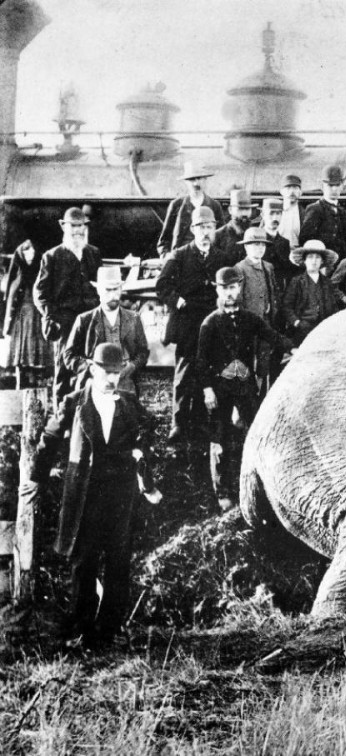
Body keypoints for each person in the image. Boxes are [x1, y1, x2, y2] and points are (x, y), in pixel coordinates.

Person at [30, 343, 153, 648]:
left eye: (117, 372)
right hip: (85, 494)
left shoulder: (129, 404)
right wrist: (37, 477)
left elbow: (148, 430)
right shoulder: (74, 402)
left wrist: (140, 455)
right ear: (92, 369)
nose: (112, 378)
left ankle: (109, 629)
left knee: (118, 561)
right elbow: (50, 437)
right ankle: (82, 628)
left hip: (120, 495)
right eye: (106, 372)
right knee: (83, 562)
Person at [197, 267, 295, 510]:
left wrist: (295, 349)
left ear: (239, 288)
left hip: (245, 387)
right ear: (218, 291)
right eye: (224, 289)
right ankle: (223, 492)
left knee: (256, 432)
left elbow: (272, 336)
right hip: (220, 388)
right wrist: (207, 389)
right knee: (219, 439)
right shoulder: (210, 323)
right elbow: (201, 361)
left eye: (233, 287)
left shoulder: (250, 319)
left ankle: (262, 488)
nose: (229, 293)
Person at [155, 206, 235, 446]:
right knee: (184, 375)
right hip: (187, 323)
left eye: (210, 227)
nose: (205, 232)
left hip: (211, 322)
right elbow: (162, 286)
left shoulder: (221, 258)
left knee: (209, 370)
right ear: (192, 229)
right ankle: (178, 424)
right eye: (201, 227)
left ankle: (201, 424)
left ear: (214, 229)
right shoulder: (179, 255)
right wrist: (178, 302)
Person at [33, 207, 102, 404]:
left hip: (90, 321)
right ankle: (62, 417)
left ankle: (85, 414)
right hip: (65, 322)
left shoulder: (93, 253)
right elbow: (40, 294)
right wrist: (51, 317)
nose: (78, 230)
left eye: (81, 226)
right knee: (64, 369)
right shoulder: (52, 256)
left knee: (91, 367)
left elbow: (101, 285)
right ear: (64, 227)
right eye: (73, 226)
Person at [63, 266, 148, 397]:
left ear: (121, 289)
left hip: (125, 383)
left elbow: (143, 352)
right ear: (98, 290)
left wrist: (132, 366)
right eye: (108, 290)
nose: (113, 295)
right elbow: (69, 355)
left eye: (116, 289)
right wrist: (90, 367)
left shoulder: (134, 318)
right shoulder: (85, 320)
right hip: (94, 382)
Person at [234, 227, 281, 396]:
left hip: (265, 324)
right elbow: (237, 300)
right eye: (255, 245)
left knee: (264, 364)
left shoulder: (269, 267)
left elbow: (274, 293)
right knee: (246, 365)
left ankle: (261, 399)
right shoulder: (240, 268)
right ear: (246, 247)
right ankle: (244, 403)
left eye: (262, 245)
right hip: (248, 326)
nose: (260, 248)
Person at [3, 239, 51, 388]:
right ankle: (22, 381)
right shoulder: (17, 276)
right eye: (26, 252)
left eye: (32, 251)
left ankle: (38, 382)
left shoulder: (42, 273)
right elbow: (10, 299)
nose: (29, 255)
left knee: (39, 353)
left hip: (39, 316)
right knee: (20, 354)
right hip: (21, 317)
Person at [156, 162, 225, 257]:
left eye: (200, 178)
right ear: (186, 182)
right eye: (192, 179)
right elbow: (164, 240)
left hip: (207, 258)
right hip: (181, 258)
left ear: (205, 180)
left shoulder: (214, 206)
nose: (196, 183)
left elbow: (222, 237)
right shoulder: (177, 205)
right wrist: (167, 257)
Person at [282, 240, 340, 344]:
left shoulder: (327, 283)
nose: (314, 261)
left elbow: (333, 307)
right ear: (304, 261)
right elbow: (287, 306)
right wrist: (297, 322)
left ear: (322, 261)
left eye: (317, 257)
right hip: (301, 330)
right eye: (310, 257)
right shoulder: (296, 281)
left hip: (323, 329)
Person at [301, 164, 346, 261]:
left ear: (342, 186)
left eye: (337, 185)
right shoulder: (315, 209)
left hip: (340, 264)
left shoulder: (343, 213)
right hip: (321, 263)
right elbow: (305, 240)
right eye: (330, 185)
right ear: (322, 186)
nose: (334, 189)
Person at [259, 197, 297, 293]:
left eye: (278, 213)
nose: (275, 218)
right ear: (263, 215)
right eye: (271, 213)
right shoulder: (257, 240)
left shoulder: (284, 242)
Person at [214, 189, 258, 262]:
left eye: (247, 209)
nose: (244, 213)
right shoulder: (217, 236)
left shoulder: (257, 235)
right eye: (240, 209)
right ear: (230, 210)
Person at [276, 174, 304, 249]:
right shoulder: (273, 212)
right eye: (288, 188)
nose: (292, 191)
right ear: (281, 191)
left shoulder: (306, 213)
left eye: (295, 188)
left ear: (300, 192)